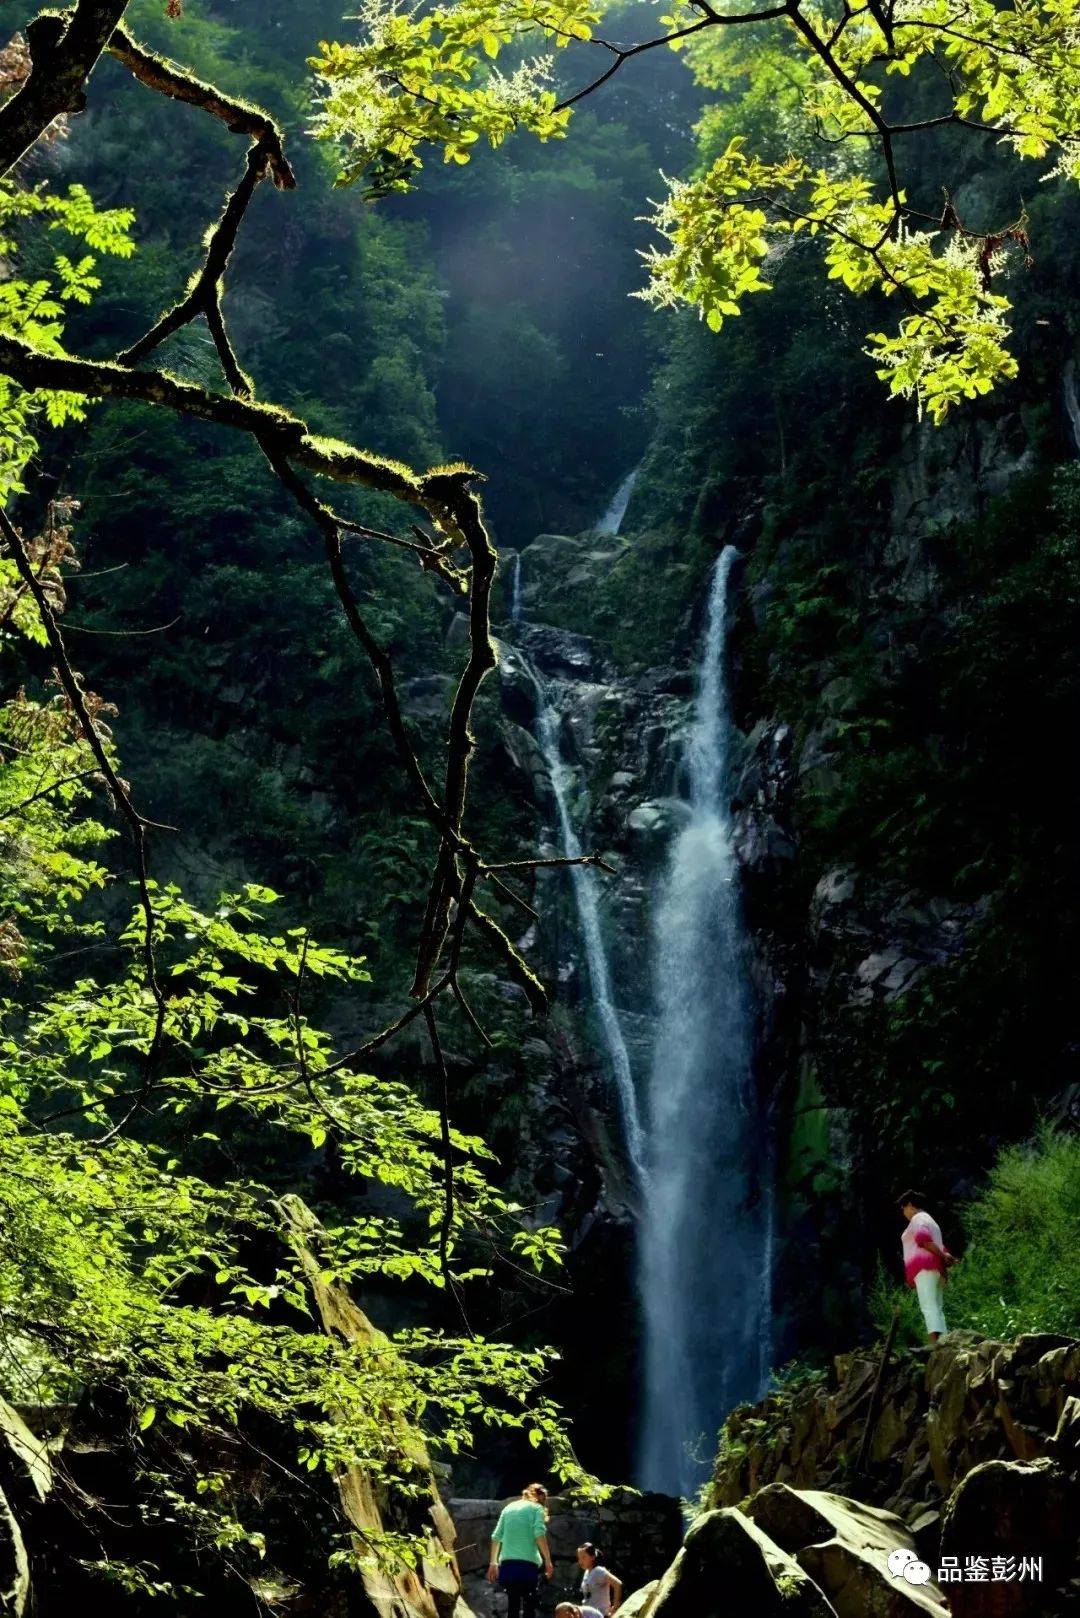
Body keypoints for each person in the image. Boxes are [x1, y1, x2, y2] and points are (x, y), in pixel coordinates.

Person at [488, 1483, 554, 1618]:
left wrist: (493, 1563)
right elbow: (539, 1534)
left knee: (513, 1606)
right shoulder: (537, 1509)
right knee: (529, 1607)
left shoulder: (508, 1508)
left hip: (508, 1566)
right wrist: (548, 1560)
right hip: (527, 1567)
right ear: (540, 1497)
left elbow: (496, 1536)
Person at [898, 1189, 956, 1342]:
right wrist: (945, 1256)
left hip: (924, 1268)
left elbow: (923, 1240)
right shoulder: (932, 1221)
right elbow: (938, 1245)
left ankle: (935, 1343)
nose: (903, 1212)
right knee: (937, 1306)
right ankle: (945, 1341)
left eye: (903, 1208)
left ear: (909, 1205)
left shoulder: (917, 1218)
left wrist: (943, 1255)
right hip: (936, 1269)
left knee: (928, 1305)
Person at [576, 1545, 622, 1616]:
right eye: (579, 1558)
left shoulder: (599, 1571)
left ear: (593, 1557)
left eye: (584, 1557)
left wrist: (615, 1608)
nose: (580, 1561)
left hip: (600, 1614)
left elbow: (617, 1584)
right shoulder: (587, 1572)